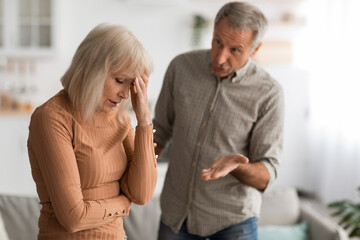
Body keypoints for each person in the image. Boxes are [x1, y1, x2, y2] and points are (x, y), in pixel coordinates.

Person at [153, 1, 284, 240]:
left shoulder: (268, 93)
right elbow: (159, 131)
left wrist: (238, 166)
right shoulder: (181, 68)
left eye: (235, 50)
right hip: (175, 217)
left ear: (254, 50)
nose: (220, 57)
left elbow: (268, 173)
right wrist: (133, 166)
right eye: (217, 42)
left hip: (233, 224)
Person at [27, 24, 157, 240]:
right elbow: (74, 217)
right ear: (91, 68)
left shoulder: (121, 121)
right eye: (119, 80)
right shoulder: (52, 117)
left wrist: (144, 121)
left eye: (131, 84)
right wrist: (124, 203)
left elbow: (142, 195)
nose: (125, 94)